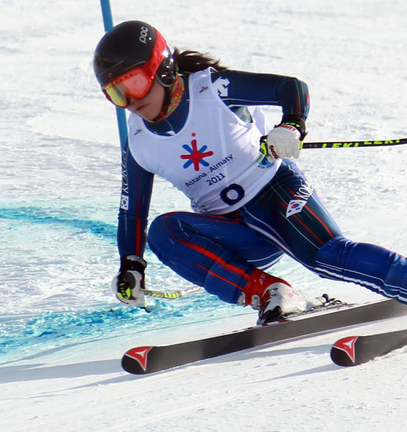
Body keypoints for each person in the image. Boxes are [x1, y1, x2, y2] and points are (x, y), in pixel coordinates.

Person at [93, 20, 407, 323]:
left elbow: (291, 88)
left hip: (276, 196)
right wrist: (131, 264)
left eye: (134, 83)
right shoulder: (138, 142)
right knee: (164, 232)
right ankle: (271, 292)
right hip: (234, 232)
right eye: (116, 94)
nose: (131, 101)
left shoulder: (212, 89)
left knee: (327, 256)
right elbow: (131, 213)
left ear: (160, 69)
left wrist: (291, 125)